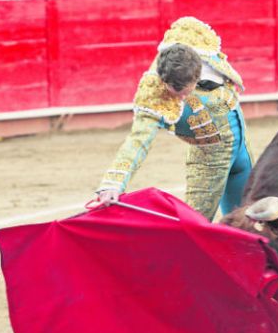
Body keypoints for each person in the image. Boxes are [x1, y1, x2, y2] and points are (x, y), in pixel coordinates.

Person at [94, 17, 254, 221]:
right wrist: (112, 183)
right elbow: (137, 141)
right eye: (175, 92)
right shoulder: (153, 94)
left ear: (196, 77)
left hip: (242, 146)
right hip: (209, 157)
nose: (181, 98)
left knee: (248, 218)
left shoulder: (198, 43)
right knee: (196, 226)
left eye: (185, 92)